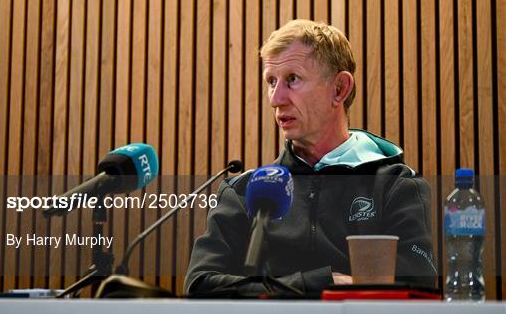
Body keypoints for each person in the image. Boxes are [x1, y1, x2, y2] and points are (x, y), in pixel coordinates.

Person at [185, 19, 437, 295]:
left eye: (292, 79)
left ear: (339, 89)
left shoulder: (396, 186)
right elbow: (200, 286)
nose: (275, 98)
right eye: (271, 81)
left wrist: (273, 291)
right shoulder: (243, 191)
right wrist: (324, 283)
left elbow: (417, 287)